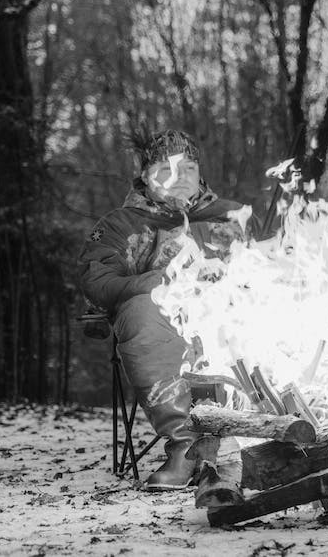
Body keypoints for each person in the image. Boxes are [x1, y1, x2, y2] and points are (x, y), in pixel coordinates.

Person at [78, 129, 257, 491]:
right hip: (162, 328)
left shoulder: (231, 217)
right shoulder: (120, 224)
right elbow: (97, 283)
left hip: (234, 323)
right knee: (143, 308)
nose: (179, 177)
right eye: (165, 168)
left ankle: (267, 434)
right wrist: (150, 283)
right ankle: (187, 445)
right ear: (144, 175)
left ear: (200, 172)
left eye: (188, 167)